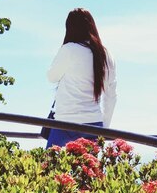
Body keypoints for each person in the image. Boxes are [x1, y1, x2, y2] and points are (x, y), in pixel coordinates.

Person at [46, 8, 117, 148]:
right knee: (89, 169)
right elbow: (111, 95)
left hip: (64, 123)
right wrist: (103, 128)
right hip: (93, 125)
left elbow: (52, 77)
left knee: (50, 168)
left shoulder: (69, 49)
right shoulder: (106, 55)